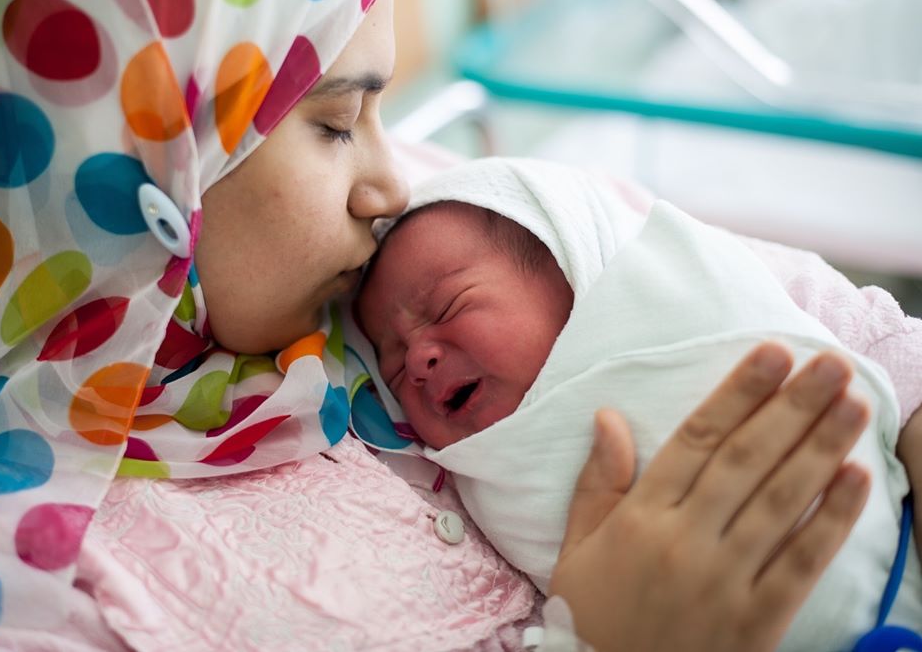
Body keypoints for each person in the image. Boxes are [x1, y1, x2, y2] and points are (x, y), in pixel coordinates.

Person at [0, 0, 879, 650]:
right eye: (336, 125)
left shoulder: (366, 252)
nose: (392, 187)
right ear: (147, 159)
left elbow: (793, 298)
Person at [354, 156, 922, 650]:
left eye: (450, 306)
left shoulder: (686, 298)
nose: (419, 360)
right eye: (393, 367)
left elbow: (875, 340)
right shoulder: (480, 486)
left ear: (576, 264)